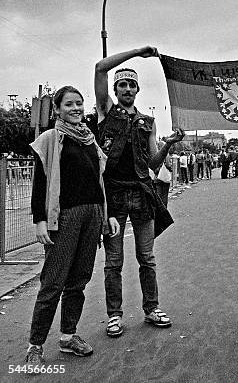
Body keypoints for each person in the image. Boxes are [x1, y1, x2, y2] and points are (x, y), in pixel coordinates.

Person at [25, 86, 120, 368]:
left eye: (79, 103)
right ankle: (35, 346)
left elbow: (100, 183)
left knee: (79, 280)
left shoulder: (91, 141)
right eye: (69, 104)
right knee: (53, 282)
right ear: (57, 109)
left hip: (92, 216)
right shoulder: (50, 139)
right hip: (64, 218)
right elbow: (40, 183)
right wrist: (39, 220)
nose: (76, 108)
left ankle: (68, 337)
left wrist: (108, 215)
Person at [94, 46, 184, 338]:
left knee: (147, 257)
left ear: (138, 89)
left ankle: (151, 308)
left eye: (132, 84)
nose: (128, 89)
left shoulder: (148, 122)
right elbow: (100, 67)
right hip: (115, 196)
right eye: (123, 84)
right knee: (114, 261)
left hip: (142, 194)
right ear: (116, 89)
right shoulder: (107, 111)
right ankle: (114, 315)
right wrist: (137, 53)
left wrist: (169, 144)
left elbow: (152, 163)